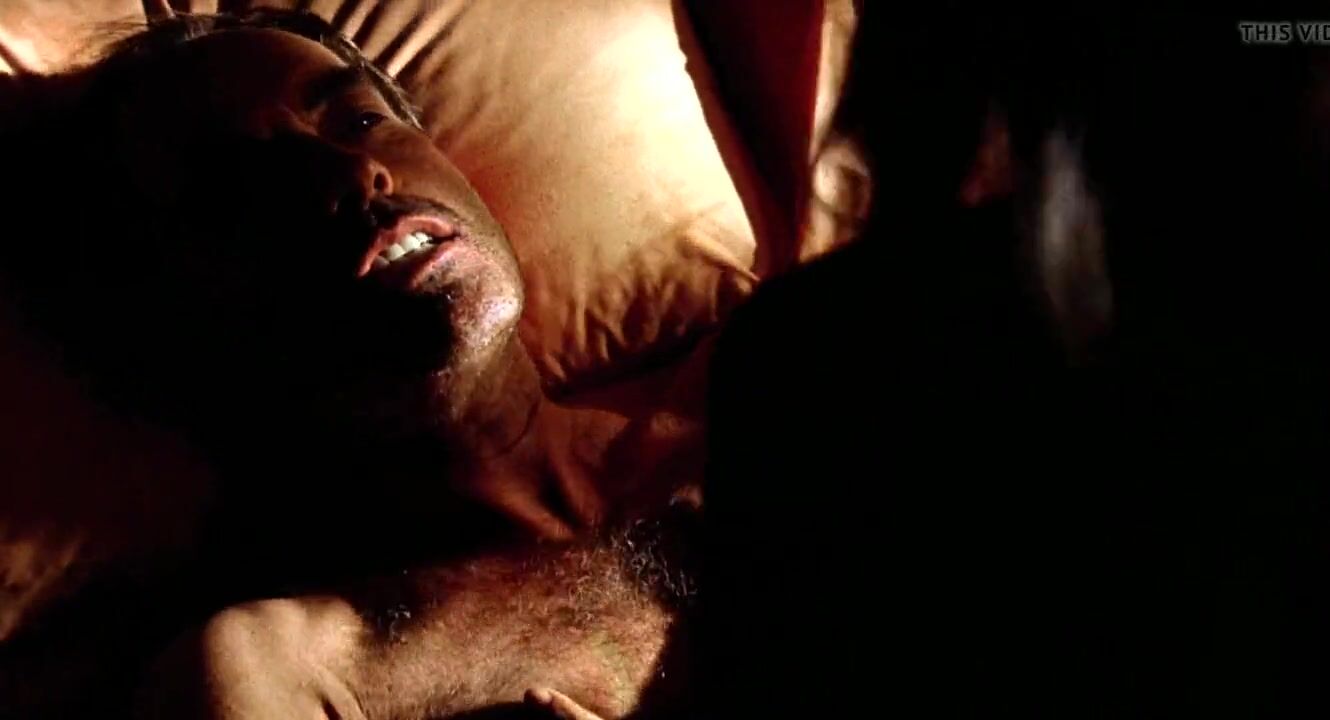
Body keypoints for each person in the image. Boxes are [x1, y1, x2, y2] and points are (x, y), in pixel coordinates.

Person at [0, 9, 695, 719]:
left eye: (361, 122)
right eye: (243, 188)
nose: (355, 172)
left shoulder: (738, 404)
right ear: (166, 321)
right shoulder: (275, 672)